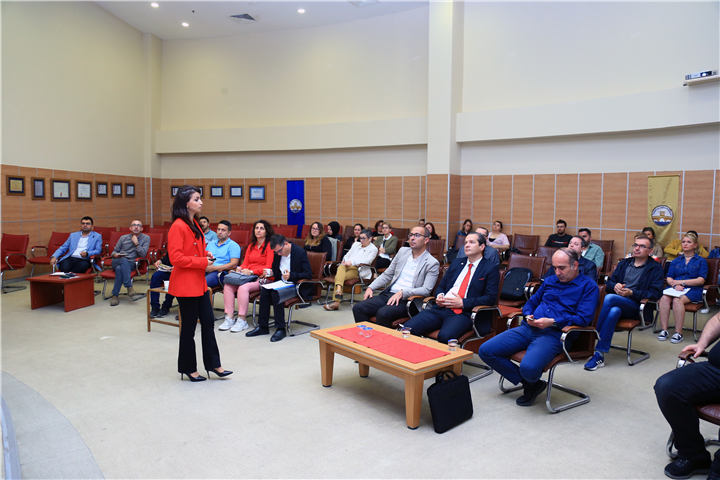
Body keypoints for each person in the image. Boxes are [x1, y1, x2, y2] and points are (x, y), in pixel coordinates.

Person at [478, 248, 599, 407]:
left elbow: (583, 318)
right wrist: (528, 314)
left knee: (528, 368)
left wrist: (553, 322)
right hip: (529, 328)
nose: (557, 272)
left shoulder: (588, 286)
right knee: (486, 350)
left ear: (575, 265)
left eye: (562, 268)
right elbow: (531, 302)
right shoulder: (550, 281)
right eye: (555, 267)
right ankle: (531, 384)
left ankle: (529, 380)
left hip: (555, 334)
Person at [167, 185, 231, 382]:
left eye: (199, 198)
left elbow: (193, 249)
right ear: (185, 203)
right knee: (188, 328)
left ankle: (214, 364)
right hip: (185, 284)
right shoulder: (178, 226)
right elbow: (176, 258)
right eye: (196, 199)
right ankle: (188, 368)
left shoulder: (194, 222)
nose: (200, 202)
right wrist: (202, 261)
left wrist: (206, 254)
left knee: (208, 322)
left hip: (199, 283)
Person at [655, 312, 720, 480]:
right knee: (667, 387)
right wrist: (702, 343)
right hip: (716, 369)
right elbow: (718, 319)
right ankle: (694, 455)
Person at [584, 234, 664, 370]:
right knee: (614, 311)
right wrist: (615, 286)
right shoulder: (624, 263)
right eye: (635, 245)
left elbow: (656, 293)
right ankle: (599, 354)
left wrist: (632, 293)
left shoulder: (655, 268)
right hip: (617, 304)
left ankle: (589, 335)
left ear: (650, 251)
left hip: (637, 306)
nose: (637, 248)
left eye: (642, 246)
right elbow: (609, 284)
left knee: (609, 298)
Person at [403, 232, 500, 344]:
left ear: (482, 247)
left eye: (471, 242)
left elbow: (490, 298)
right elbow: (442, 285)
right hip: (441, 308)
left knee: (445, 336)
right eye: (465, 243)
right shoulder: (457, 263)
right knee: (408, 328)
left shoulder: (490, 268)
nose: (467, 245)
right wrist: (439, 296)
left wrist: (463, 303)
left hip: (465, 313)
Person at [353, 226, 440, 327]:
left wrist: (403, 292)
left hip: (409, 300)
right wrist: (371, 287)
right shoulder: (403, 251)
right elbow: (387, 274)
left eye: (417, 235)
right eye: (411, 235)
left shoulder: (432, 262)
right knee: (358, 308)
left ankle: (384, 338)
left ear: (426, 240)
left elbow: (426, 290)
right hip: (390, 294)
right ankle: (367, 335)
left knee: (383, 313)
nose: (412, 238)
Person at [245, 235, 313, 342]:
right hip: (281, 283)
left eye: (280, 251)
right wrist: (270, 272)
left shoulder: (300, 252)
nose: (279, 254)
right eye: (277, 252)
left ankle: (280, 328)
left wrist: (291, 275)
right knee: (265, 291)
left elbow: (308, 274)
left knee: (276, 294)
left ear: (286, 244)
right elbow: (276, 270)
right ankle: (263, 326)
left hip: (295, 285)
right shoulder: (277, 253)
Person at [221, 220, 275, 333]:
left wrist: (251, 271)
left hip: (262, 278)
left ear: (267, 232)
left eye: (262, 228)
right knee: (228, 286)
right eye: (256, 228)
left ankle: (242, 319)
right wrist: (240, 268)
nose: (258, 230)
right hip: (247, 276)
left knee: (243, 288)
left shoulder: (270, 246)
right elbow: (245, 263)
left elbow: (268, 267)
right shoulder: (251, 246)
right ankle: (229, 317)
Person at [657, 232, 709, 344]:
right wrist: (675, 285)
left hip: (694, 289)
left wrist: (682, 282)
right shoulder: (676, 260)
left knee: (677, 300)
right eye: (683, 242)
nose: (685, 244)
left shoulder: (701, 261)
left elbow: (701, 280)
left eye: (689, 242)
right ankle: (664, 330)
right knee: (664, 298)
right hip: (676, 288)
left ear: (695, 245)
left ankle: (678, 333)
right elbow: (669, 277)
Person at [323, 229, 378, 311]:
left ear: (370, 238)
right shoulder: (356, 244)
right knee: (341, 266)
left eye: (364, 238)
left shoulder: (373, 249)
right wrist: (345, 261)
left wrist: (351, 262)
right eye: (360, 238)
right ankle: (338, 291)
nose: (361, 240)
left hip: (358, 269)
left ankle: (336, 302)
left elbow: (367, 261)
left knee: (339, 277)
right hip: (346, 266)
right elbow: (347, 254)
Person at [109, 219, 150, 306]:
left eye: (138, 225)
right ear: (130, 228)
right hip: (117, 260)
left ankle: (115, 295)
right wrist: (115, 255)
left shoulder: (146, 238)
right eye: (134, 225)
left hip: (131, 263)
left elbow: (143, 254)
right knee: (123, 260)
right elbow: (114, 251)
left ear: (142, 229)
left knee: (119, 269)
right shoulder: (123, 238)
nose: (136, 227)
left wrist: (136, 243)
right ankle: (129, 286)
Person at [204, 220, 241, 289]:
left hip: (220, 273)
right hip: (206, 269)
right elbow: (204, 258)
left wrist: (214, 268)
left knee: (202, 284)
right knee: (190, 280)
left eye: (223, 230)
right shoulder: (210, 244)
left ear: (229, 233)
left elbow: (234, 264)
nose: (220, 232)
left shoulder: (233, 245)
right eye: (218, 229)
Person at [149, 253, 174, 319]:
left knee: (173, 281)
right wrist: (160, 261)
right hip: (169, 270)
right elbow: (168, 257)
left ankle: (166, 306)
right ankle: (155, 307)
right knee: (155, 276)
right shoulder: (172, 247)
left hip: (180, 272)